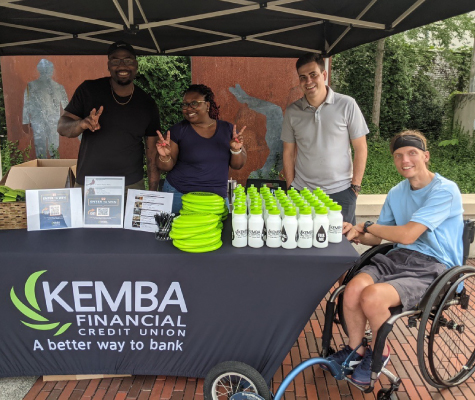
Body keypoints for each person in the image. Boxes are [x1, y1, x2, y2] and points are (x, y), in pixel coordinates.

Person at [325, 130, 464, 386]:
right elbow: (377, 238)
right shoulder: (397, 192)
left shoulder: (445, 190)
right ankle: (356, 351)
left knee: (372, 296)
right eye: (398, 155)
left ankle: (381, 353)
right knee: (353, 288)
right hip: (398, 256)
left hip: (435, 266)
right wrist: (354, 231)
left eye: (412, 153)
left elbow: (408, 234)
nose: (405, 160)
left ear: (426, 156)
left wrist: (367, 225)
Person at [57, 41, 160, 192]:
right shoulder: (88, 90)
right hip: (90, 184)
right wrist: (81, 124)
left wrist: (152, 193)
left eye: (128, 60)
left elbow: (152, 155)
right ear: (108, 65)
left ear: (136, 64)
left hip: (130, 186)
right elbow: (62, 127)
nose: (122, 65)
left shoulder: (147, 103)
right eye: (116, 60)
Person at [281, 53, 368, 225]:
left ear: (324, 75)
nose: (309, 81)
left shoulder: (347, 104)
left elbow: (361, 148)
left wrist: (355, 188)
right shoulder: (292, 111)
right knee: (302, 244)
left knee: (341, 248)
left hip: (341, 192)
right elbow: (288, 151)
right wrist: (290, 186)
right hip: (302, 192)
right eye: (303, 77)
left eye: (313, 75)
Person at [156, 84, 247, 213]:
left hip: (216, 197)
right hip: (179, 194)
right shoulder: (178, 131)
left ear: (207, 105)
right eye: (185, 104)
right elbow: (165, 167)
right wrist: (164, 157)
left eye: (194, 103)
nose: (188, 108)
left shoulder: (227, 130)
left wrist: (236, 150)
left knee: (219, 232)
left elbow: (238, 165)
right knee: (176, 232)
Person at [23, 59, 69, 158]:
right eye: (44, 70)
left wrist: (68, 121)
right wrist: (25, 121)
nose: (47, 72)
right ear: (39, 70)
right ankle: (42, 170)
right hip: (38, 122)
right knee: (40, 148)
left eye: (48, 70)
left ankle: (54, 170)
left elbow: (67, 107)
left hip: (53, 122)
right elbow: (26, 104)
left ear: (52, 71)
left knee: (54, 148)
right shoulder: (31, 86)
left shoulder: (59, 87)